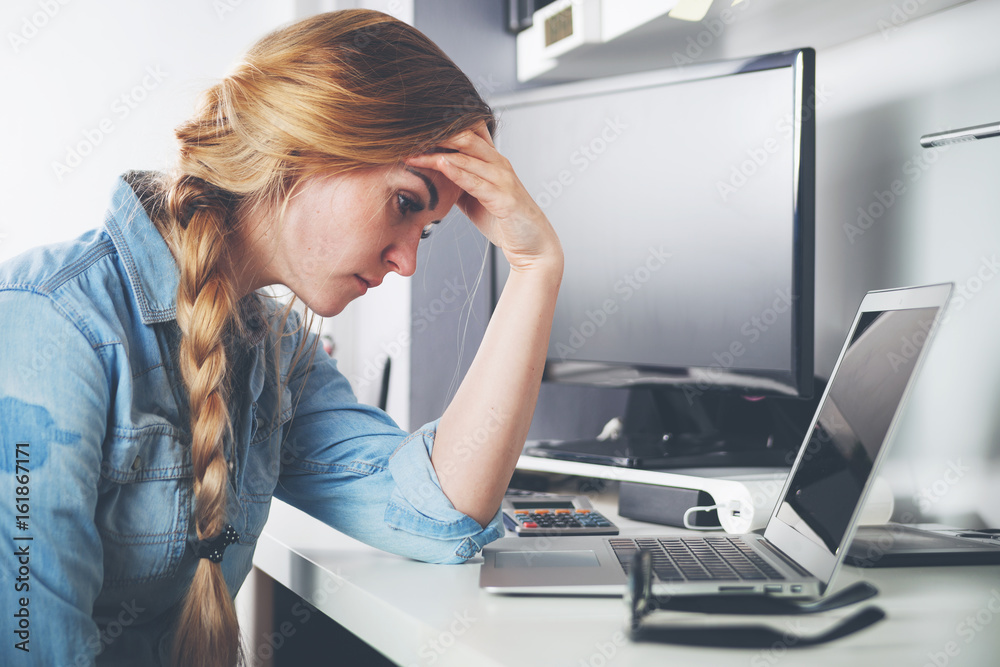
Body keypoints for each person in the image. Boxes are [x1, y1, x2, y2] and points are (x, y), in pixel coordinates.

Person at [0, 10, 562, 666]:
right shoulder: (51, 325)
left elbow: (441, 516)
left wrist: (535, 268)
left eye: (428, 230)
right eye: (406, 203)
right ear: (307, 145)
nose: (407, 262)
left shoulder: (279, 350)